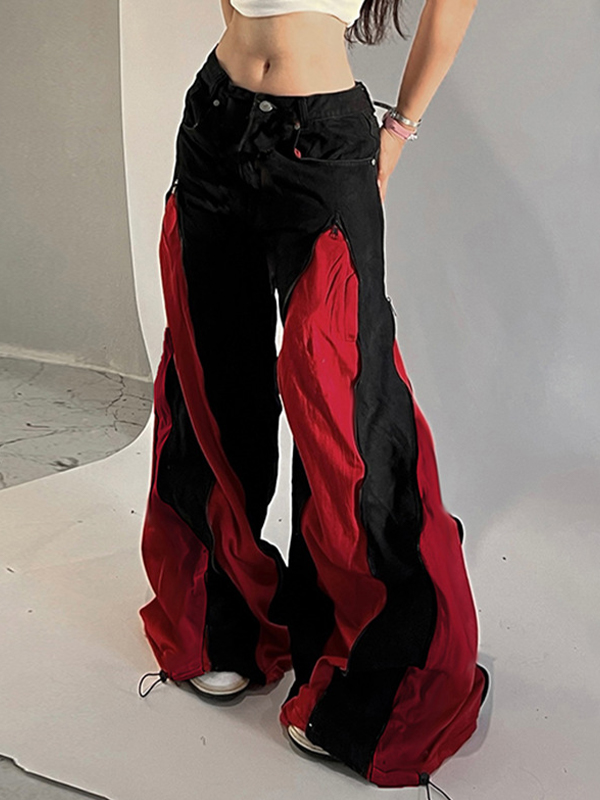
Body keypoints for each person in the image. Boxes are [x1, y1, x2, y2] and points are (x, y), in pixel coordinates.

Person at [137, 0, 490, 792]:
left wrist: (399, 129)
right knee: (210, 378)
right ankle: (222, 624)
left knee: (348, 411)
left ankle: (376, 671)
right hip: (214, 122)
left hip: (325, 143)